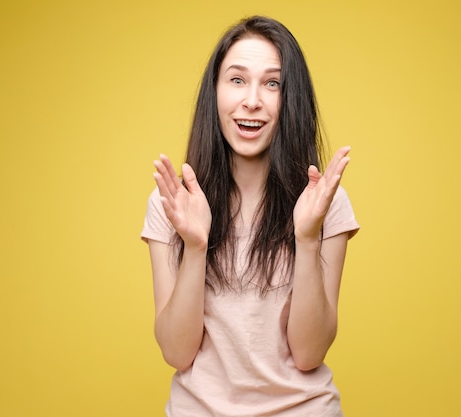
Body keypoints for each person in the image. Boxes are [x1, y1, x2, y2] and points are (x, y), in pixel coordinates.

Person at [141, 15, 359, 417]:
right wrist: (195, 245)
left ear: (289, 100)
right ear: (215, 92)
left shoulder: (325, 202)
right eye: (237, 80)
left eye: (272, 83)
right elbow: (176, 351)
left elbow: (309, 353)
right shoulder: (171, 204)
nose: (252, 100)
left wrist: (307, 239)